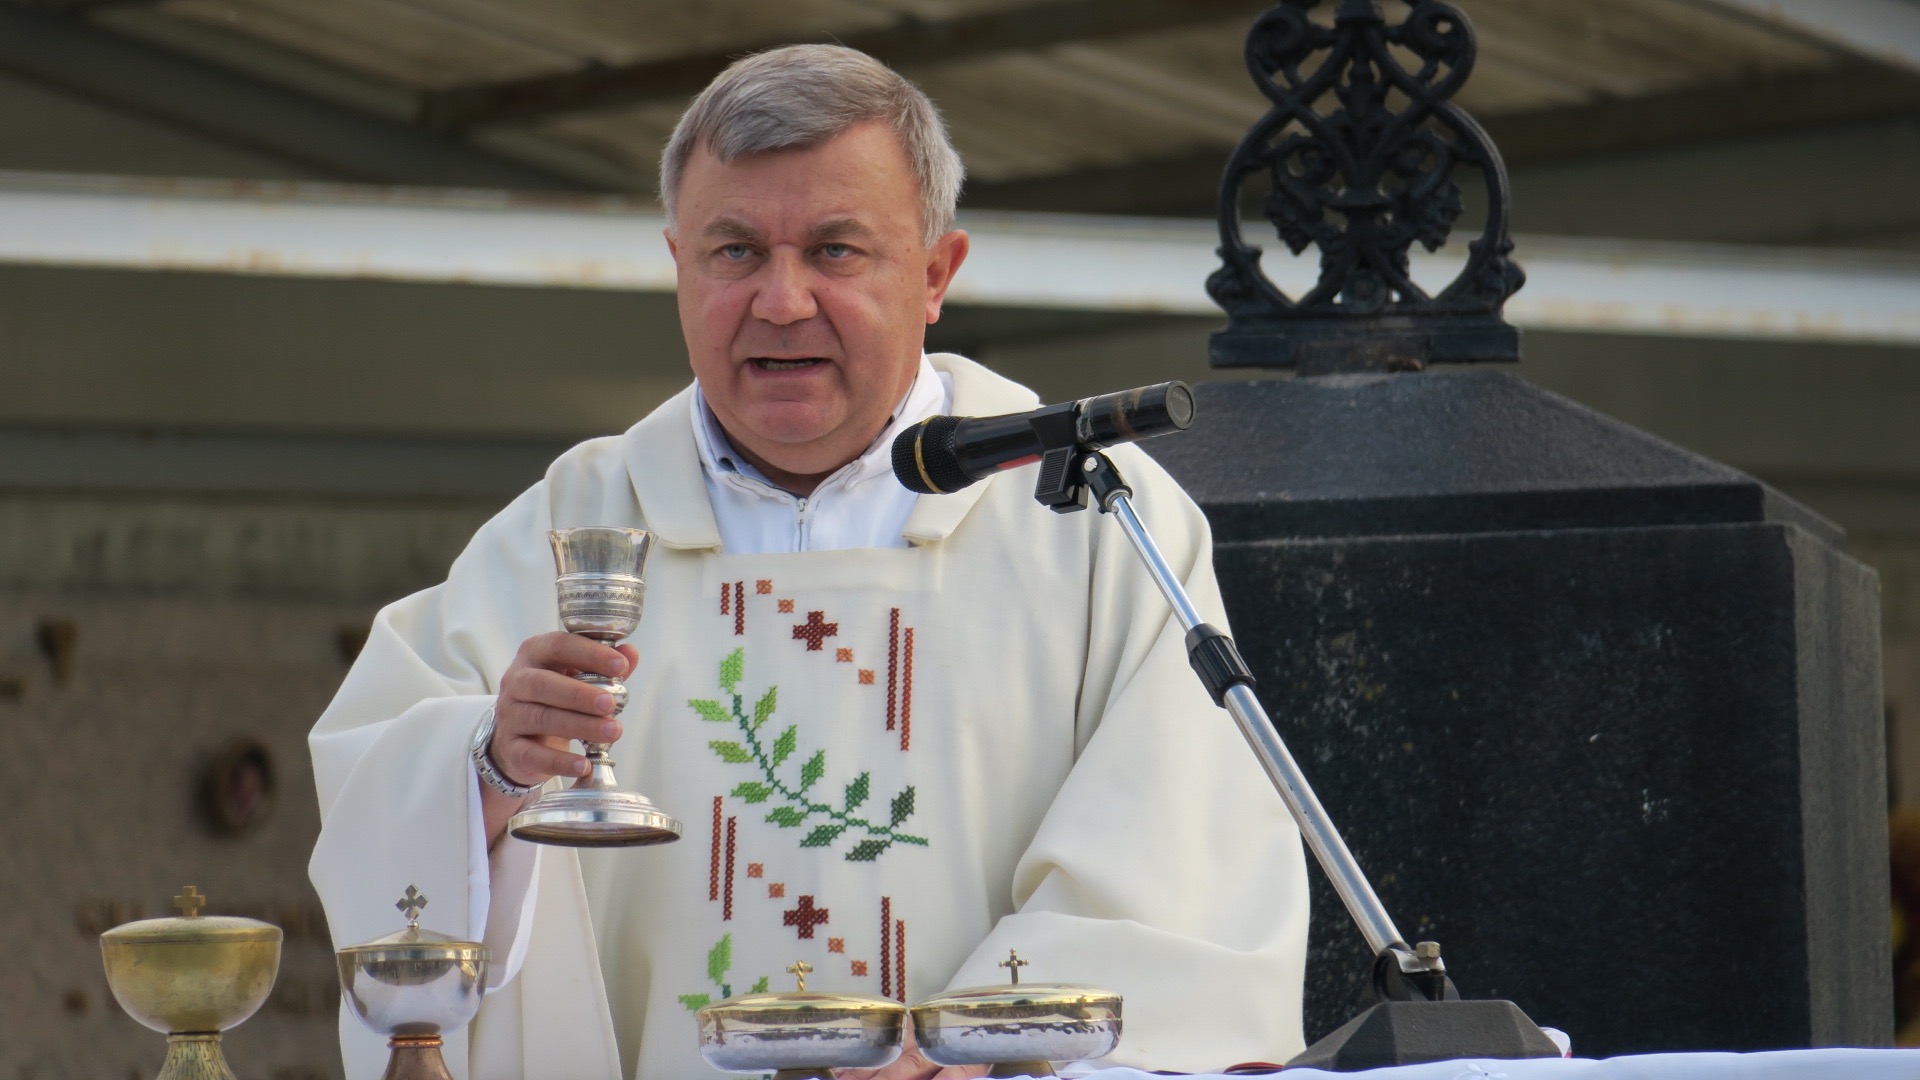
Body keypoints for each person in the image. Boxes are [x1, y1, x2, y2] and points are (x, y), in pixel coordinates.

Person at [309, 44, 1307, 1080]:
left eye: (835, 252)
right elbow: (383, 796)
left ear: (934, 276)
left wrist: (967, 1047)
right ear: (678, 268)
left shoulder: (1090, 517)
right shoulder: (568, 528)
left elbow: (1177, 869)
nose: (781, 302)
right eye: (734, 252)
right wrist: (492, 765)